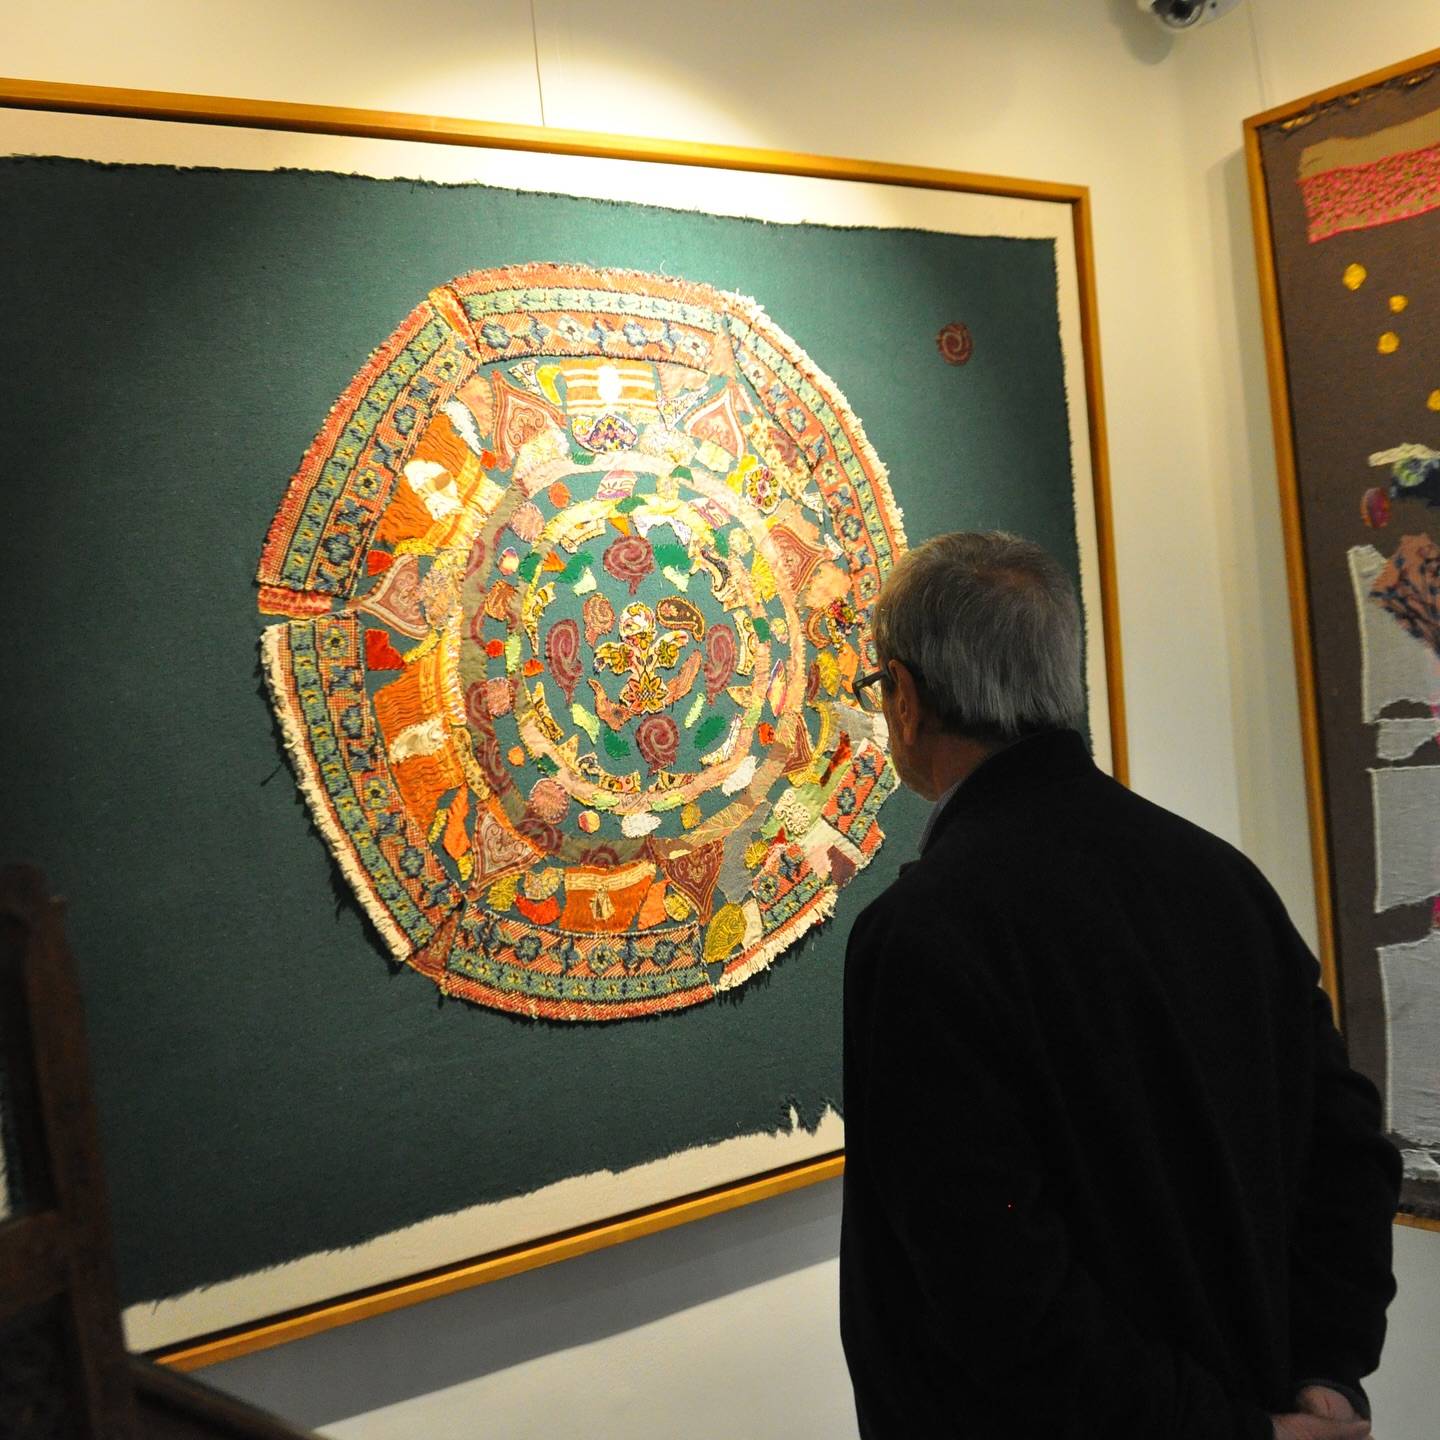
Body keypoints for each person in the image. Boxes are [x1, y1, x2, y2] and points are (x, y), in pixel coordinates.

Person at [839, 532, 1401, 1440]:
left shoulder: (924, 935)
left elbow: (997, 1294)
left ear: (904, 698)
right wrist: (1324, 1378)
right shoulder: (1222, 881)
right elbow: (1347, 1154)